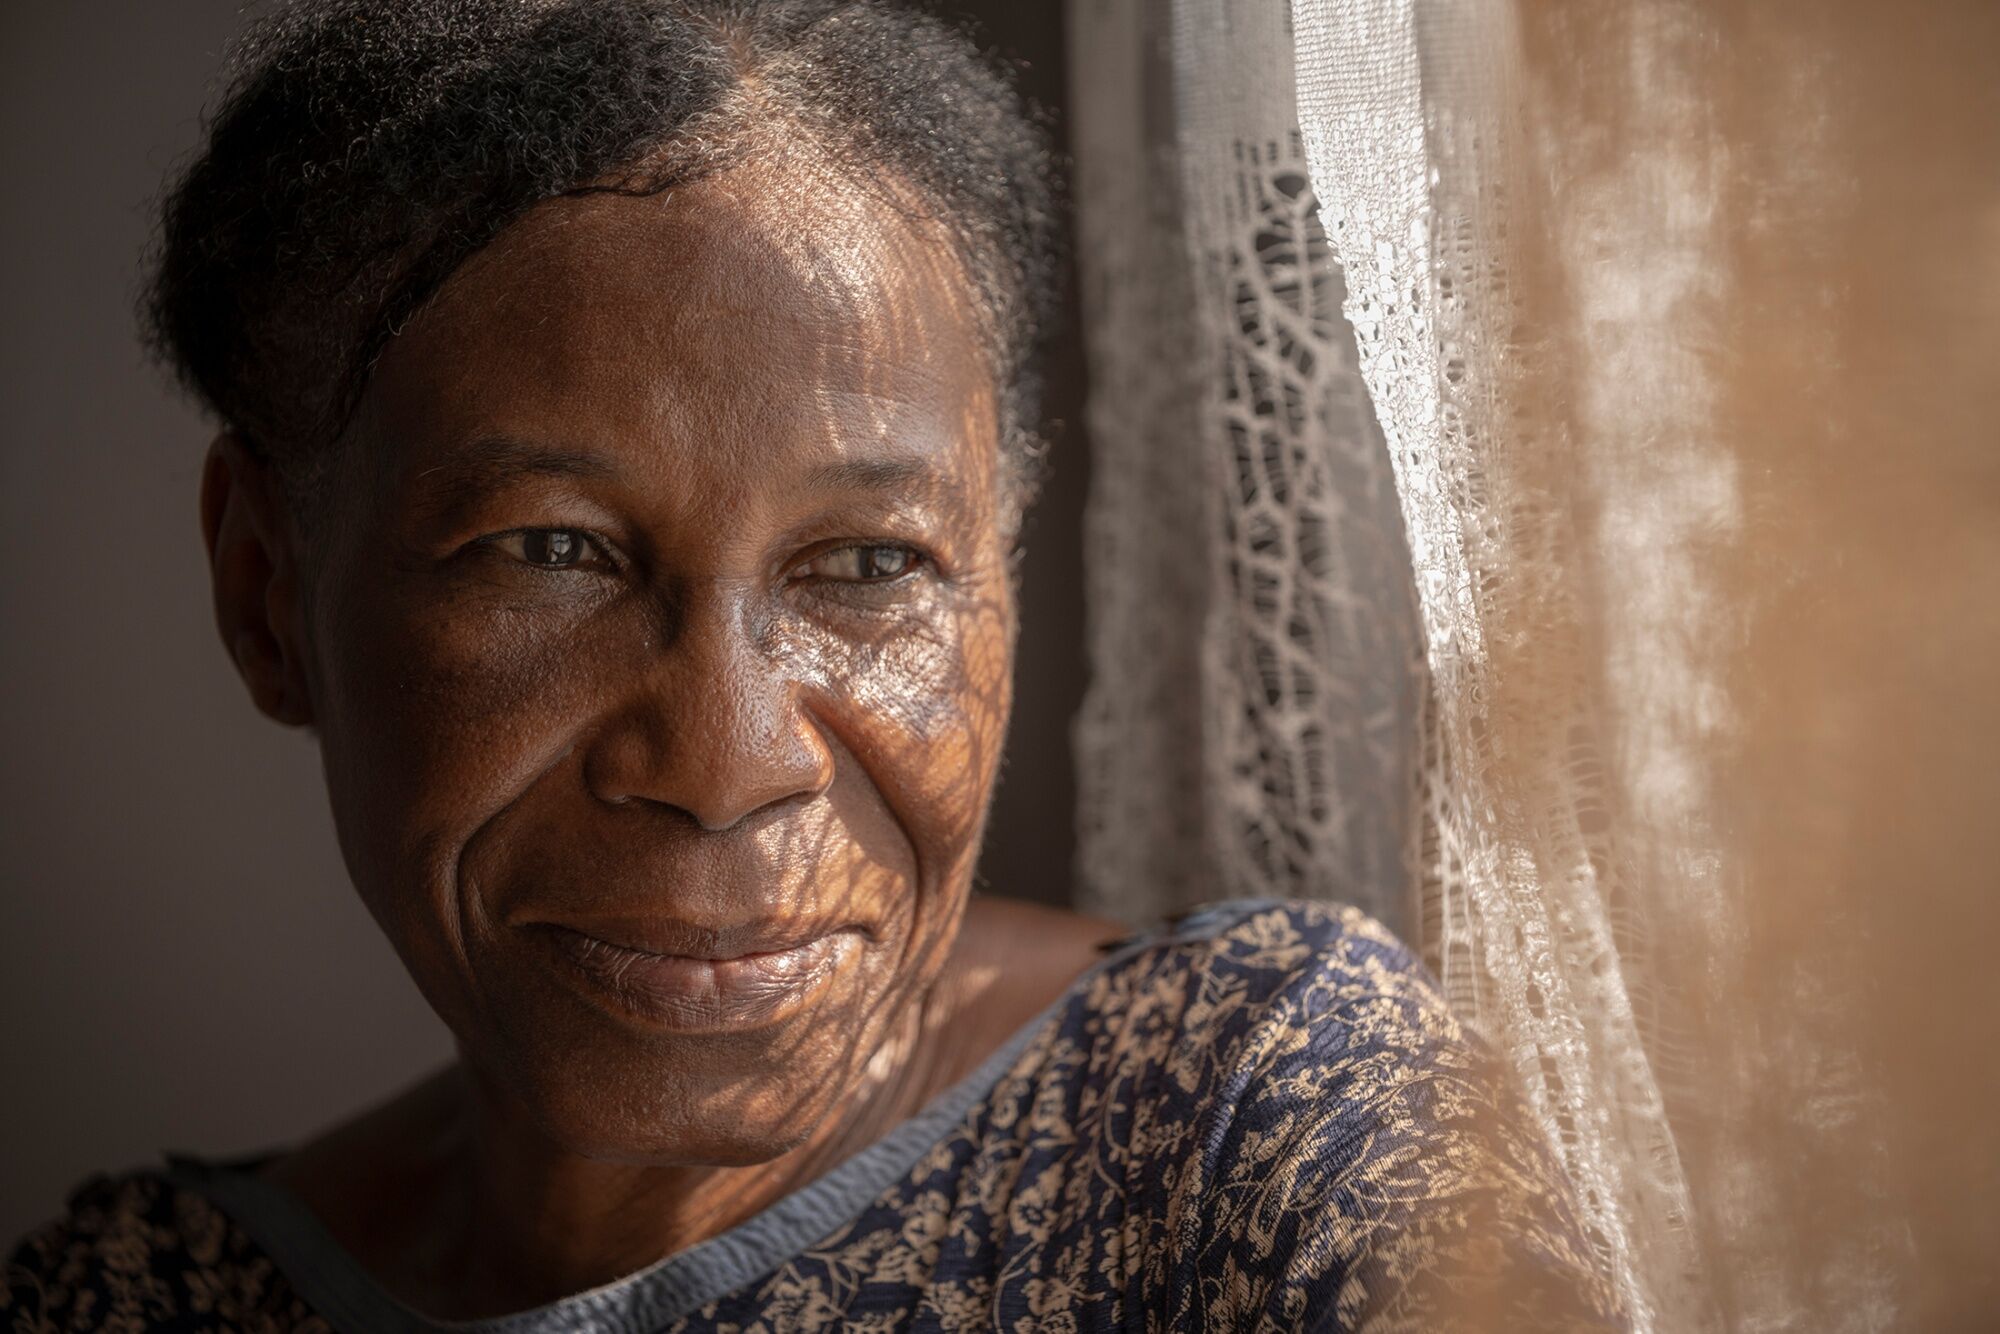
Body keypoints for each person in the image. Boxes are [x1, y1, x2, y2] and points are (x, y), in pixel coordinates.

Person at [3, 1, 1619, 1328]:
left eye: (866, 566)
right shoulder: (149, 1299)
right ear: (266, 593)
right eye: (554, 548)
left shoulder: (1246, 1123)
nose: (723, 761)